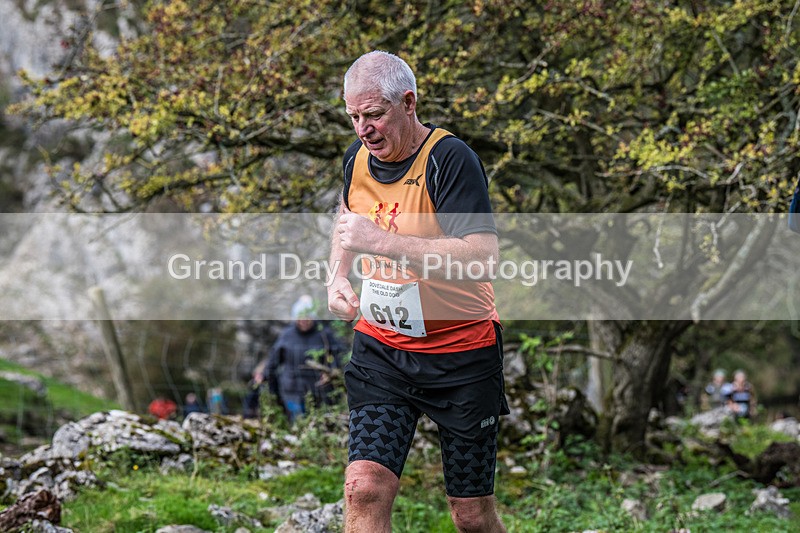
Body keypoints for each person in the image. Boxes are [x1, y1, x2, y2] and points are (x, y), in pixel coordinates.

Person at [327, 51, 508, 533]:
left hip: (461, 355)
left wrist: (382, 242)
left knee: (471, 516)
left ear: (408, 102)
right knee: (364, 487)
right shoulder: (357, 159)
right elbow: (347, 221)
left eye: (373, 115)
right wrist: (338, 277)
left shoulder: (450, 160)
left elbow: (483, 257)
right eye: (353, 117)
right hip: (383, 351)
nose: (363, 129)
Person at [259, 295, 346, 422]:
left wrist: (331, 372)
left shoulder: (324, 335)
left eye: (308, 317)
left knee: (318, 422)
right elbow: (274, 359)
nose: (304, 320)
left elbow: (338, 355)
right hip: (292, 389)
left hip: (318, 389)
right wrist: (264, 375)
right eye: (300, 317)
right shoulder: (286, 335)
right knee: (297, 421)